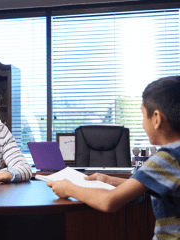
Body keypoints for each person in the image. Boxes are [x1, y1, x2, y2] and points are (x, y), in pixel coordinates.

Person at [47, 76, 180, 240]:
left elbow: (108, 202)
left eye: (143, 115)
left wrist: (69, 188)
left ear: (157, 119)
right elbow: (145, 185)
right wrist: (108, 180)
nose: (142, 124)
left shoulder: (168, 158)